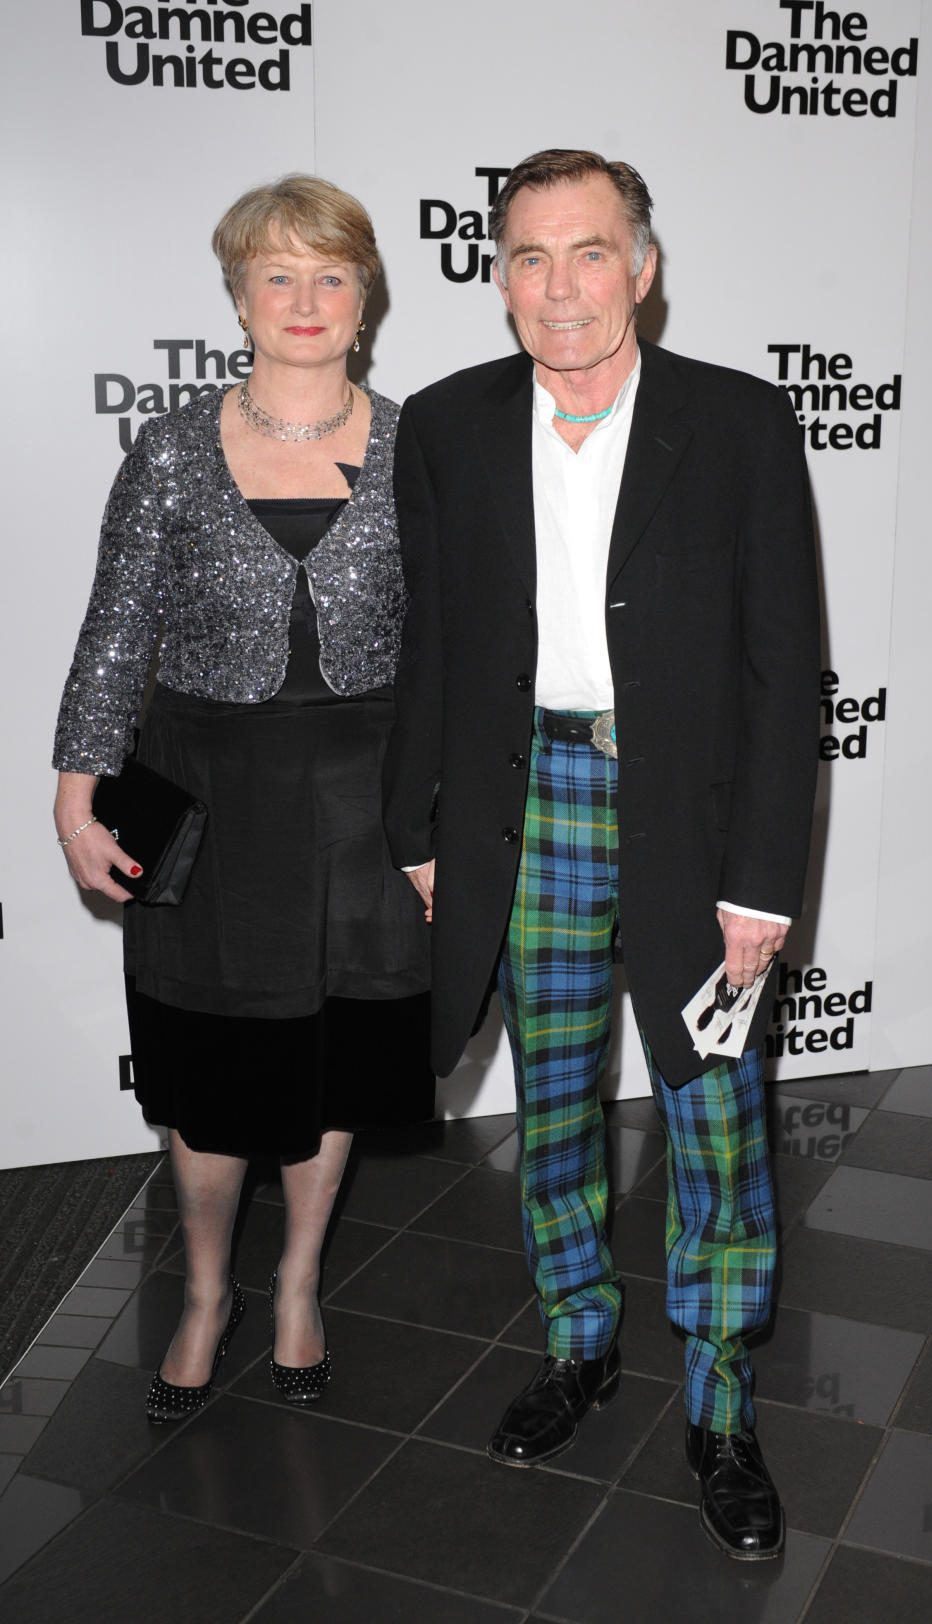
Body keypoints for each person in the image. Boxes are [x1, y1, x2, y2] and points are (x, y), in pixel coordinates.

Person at [383, 149, 819, 1560]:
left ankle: (721, 1403)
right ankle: (578, 1343)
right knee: (555, 1113)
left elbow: (783, 669)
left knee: (715, 1130)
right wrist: (422, 835)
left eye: (588, 253)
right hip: (529, 817)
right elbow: (431, 650)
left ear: (642, 267)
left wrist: (760, 886)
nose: (557, 286)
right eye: (527, 256)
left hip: (693, 832)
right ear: (497, 273)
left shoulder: (741, 424)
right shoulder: (444, 427)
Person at [53, 174, 431, 1423]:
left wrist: (440, 819)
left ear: (366, 295)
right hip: (198, 797)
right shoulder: (169, 446)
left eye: (332, 275)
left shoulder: (418, 446)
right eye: (279, 275)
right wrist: (73, 791)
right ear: (237, 296)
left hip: (364, 814)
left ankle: (299, 1283)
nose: (306, 299)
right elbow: (117, 629)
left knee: (332, 1074)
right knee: (207, 1079)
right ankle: (208, 1289)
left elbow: (456, 646)